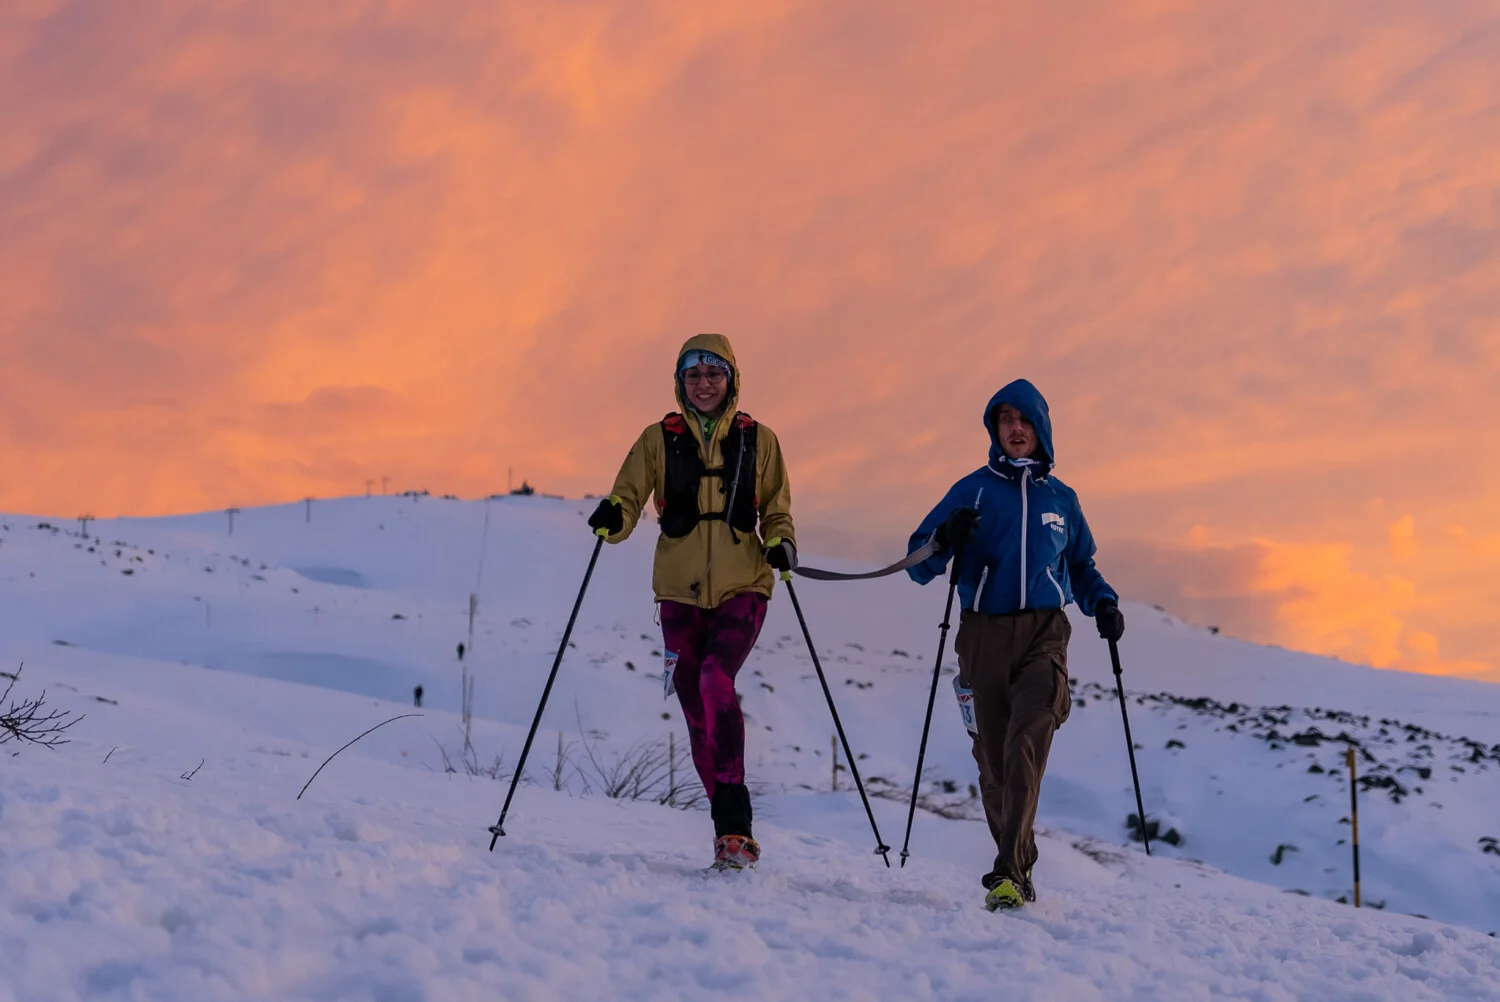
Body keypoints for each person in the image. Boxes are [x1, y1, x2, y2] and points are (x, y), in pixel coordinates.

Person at [906, 379, 1124, 910]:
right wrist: (946, 538)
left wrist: (1106, 604)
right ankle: (1020, 873)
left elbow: (1081, 566)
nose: (1016, 429)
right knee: (995, 764)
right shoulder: (972, 490)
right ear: (994, 430)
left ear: (1041, 429)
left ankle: (1005, 872)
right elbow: (919, 562)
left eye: (1024, 420)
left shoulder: (1063, 500)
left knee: (1027, 742)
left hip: (1045, 634)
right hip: (982, 637)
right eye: (1005, 421)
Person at [587, 334, 796, 870]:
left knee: (713, 680)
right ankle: (726, 831)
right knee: (692, 700)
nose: (703, 384)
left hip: (744, 583)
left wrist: (781, 541)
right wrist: (613, 516)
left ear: (731, 379)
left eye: (714, 373)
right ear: (680, 382)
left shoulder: (760, 439)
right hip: (677, 590)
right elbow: (628, 495)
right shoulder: (658, 438)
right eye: (693, 375)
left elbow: (776, 507)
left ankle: (735, 828)